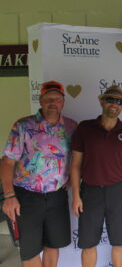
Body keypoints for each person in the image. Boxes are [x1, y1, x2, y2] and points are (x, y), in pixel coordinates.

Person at [0, 81, 77, 267]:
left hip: (57, 197)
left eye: (57, 99)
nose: (53, 102)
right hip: (26, 197)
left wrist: (70, 180)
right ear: (41, 100)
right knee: (30, 250)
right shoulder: (23, 125)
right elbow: (7, 162)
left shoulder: (72, 127)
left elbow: (77, 160)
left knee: (53, 246)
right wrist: (9, 196)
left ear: (63, 102)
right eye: (48, 98)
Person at [70, 85, 122, 267]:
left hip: (118, 192)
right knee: (88, 243)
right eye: (110, 99)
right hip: (90, 191)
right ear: (102, 101)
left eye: (118, 102)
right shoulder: (85, 128)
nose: (114, 104)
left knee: (119, 242)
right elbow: (76, 164)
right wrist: (76, 196)